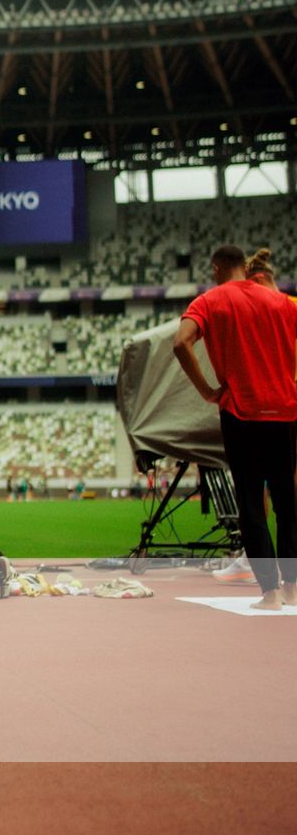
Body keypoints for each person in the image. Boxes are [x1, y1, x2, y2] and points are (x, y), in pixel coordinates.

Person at [173, 242, 297, 611]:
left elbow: (181, 343)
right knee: (288, 503)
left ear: (215, 269)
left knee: (251, 504)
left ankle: (270, 593)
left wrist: (207, 390)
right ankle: (292, 587)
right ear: (246, 266)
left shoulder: (210, 301)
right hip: (285, 411)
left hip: (241, 413)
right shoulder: (282, 303)